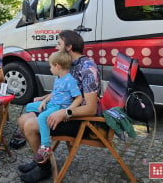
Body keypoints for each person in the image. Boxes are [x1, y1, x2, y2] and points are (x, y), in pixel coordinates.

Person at [17, 30, 101, 183]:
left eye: (59, 44)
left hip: (79, 119)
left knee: (29, 125)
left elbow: (91, 109)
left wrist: (65, 113)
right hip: (62, 110)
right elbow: (62, 90)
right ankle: (42, 162)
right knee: (23, 119)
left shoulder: (88, 69)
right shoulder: (69, 64)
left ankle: (43, 169)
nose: (56, 47)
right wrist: (45, 98)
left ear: (68, 47)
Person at [24, 51, 83, 164]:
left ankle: (45, 147)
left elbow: (79, 98)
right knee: (29, 106)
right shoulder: (58, 78)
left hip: (59, 107)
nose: (50, 69)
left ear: (58, 66)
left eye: (51, 66)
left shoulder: (69, 80)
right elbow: (54, 93)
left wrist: (67, 111)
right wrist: (44, 100)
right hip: (51, 103)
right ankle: (25, 133)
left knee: (42, 117)